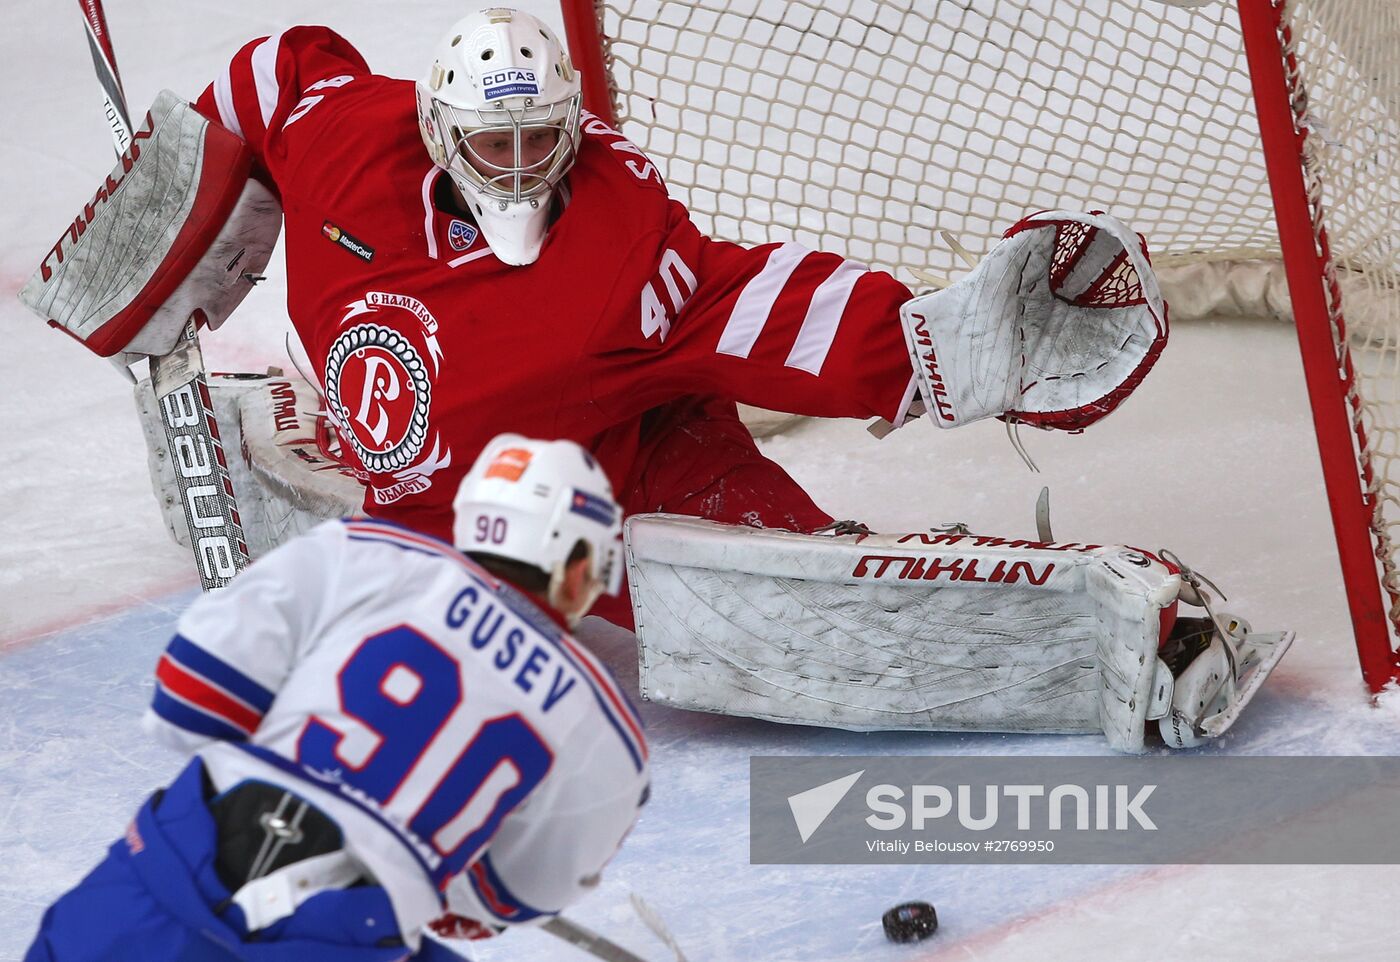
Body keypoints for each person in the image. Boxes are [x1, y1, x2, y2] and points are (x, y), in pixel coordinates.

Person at [185, 5, 923, 626]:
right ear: (439, 130)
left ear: (571, 126)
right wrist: (177, 208)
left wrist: (926, 347)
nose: (516, 164)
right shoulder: (345, 146)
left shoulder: (618, 257)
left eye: (538, 137)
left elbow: (768, 307)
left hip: (612, 483)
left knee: (809, 611)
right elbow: (275, 72)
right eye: (491, 141)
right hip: (423, 528)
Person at [24, 434, 649, 962]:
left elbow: (188, 699)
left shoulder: (361, 552)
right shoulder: (604, 726)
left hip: (157, 880)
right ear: (575, 563)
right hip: (343, 932)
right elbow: (504, 901)